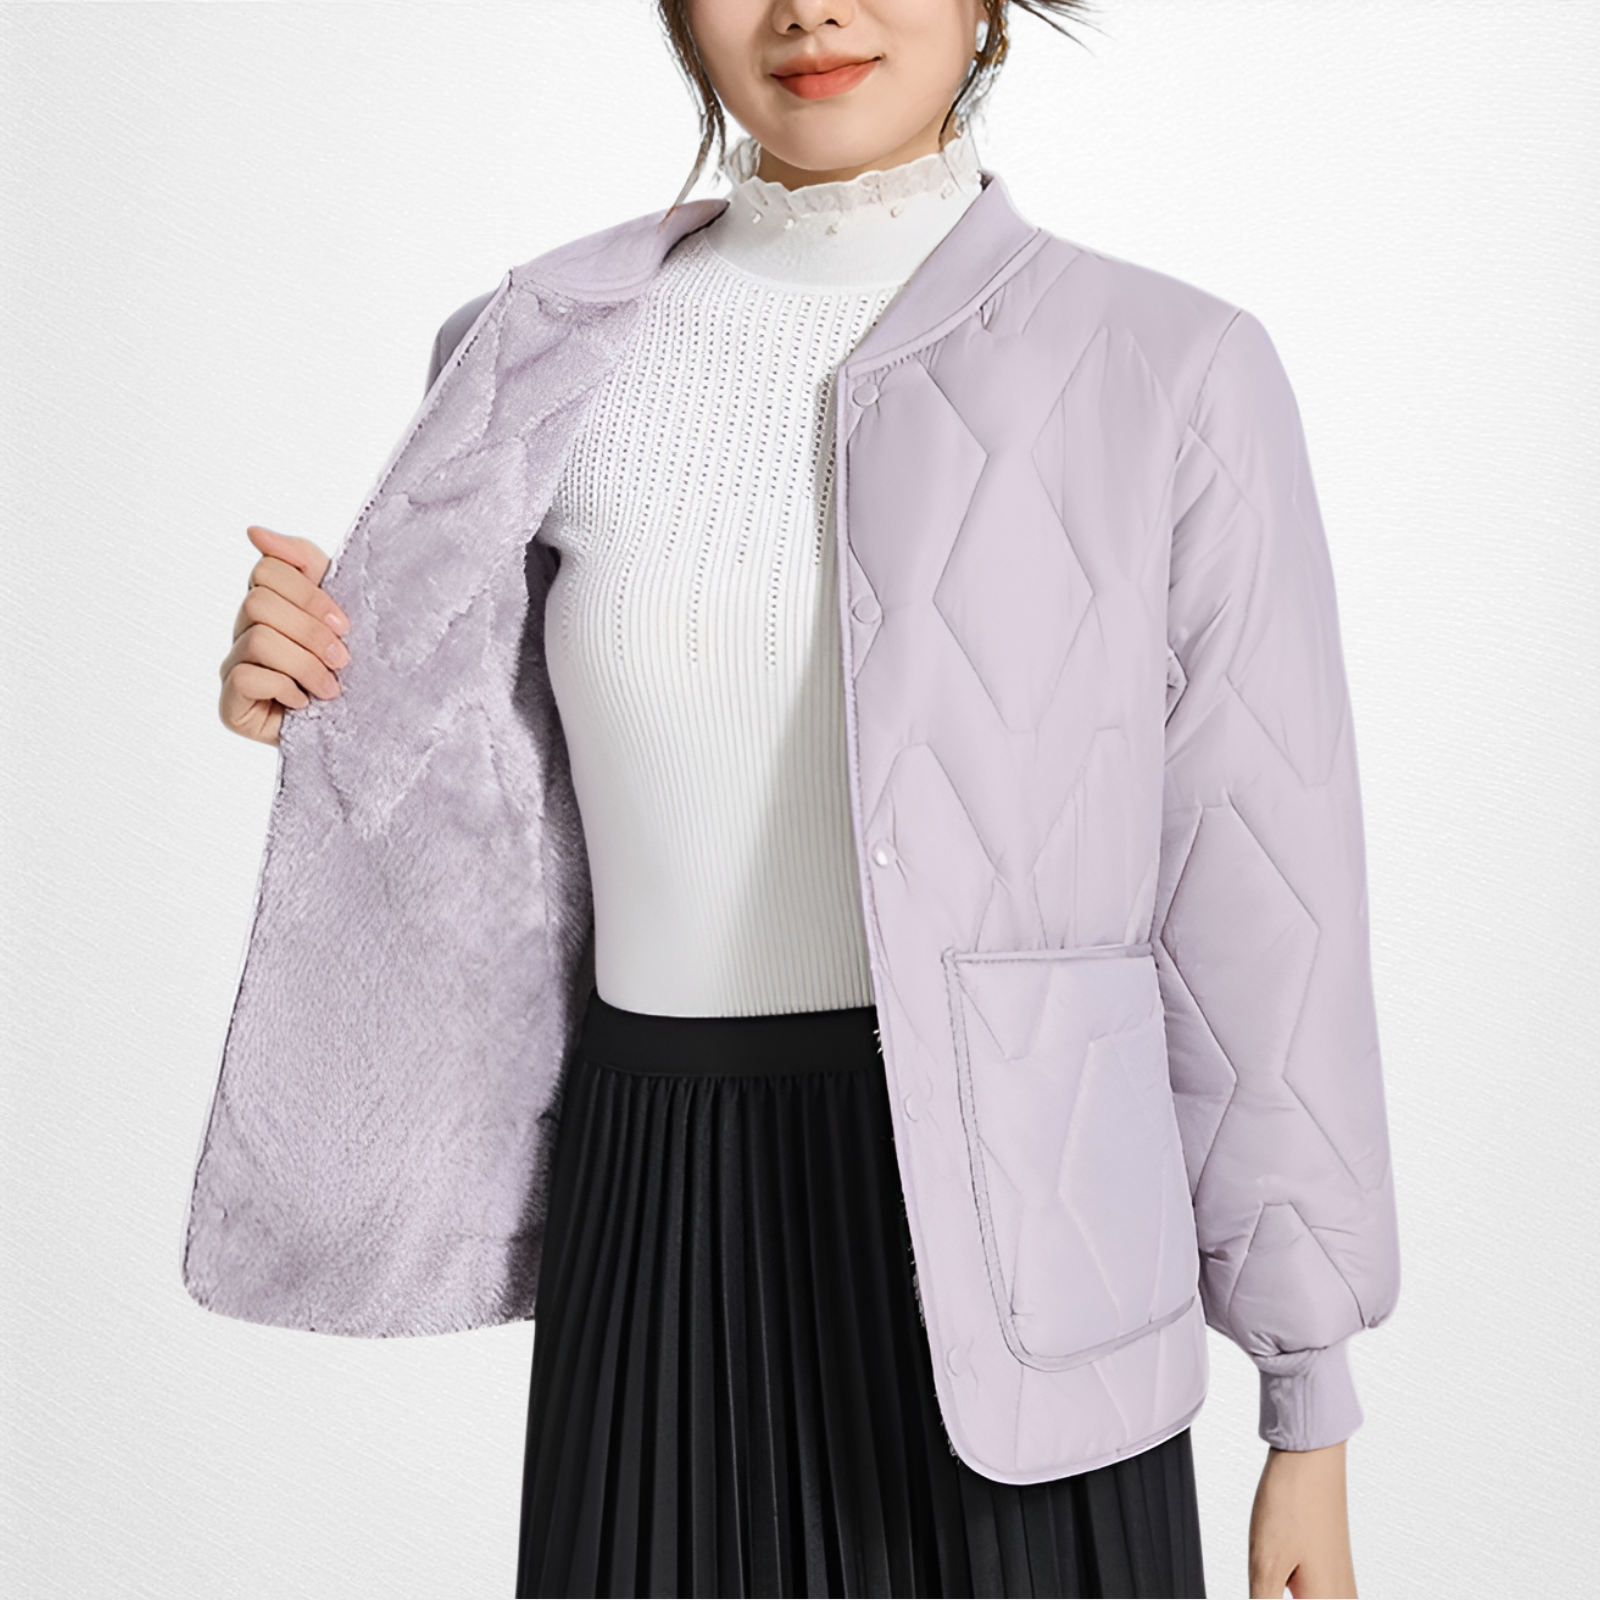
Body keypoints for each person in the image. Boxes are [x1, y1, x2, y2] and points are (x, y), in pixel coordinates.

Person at [199, 2, 1401, 1596]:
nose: (809, 10)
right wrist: (321, 695)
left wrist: (1308, 1409)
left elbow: (1263, 902)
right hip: (657, 1204)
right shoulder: (531, 356)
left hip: (1026, 1252)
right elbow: (487, 822)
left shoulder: (1170, 367)